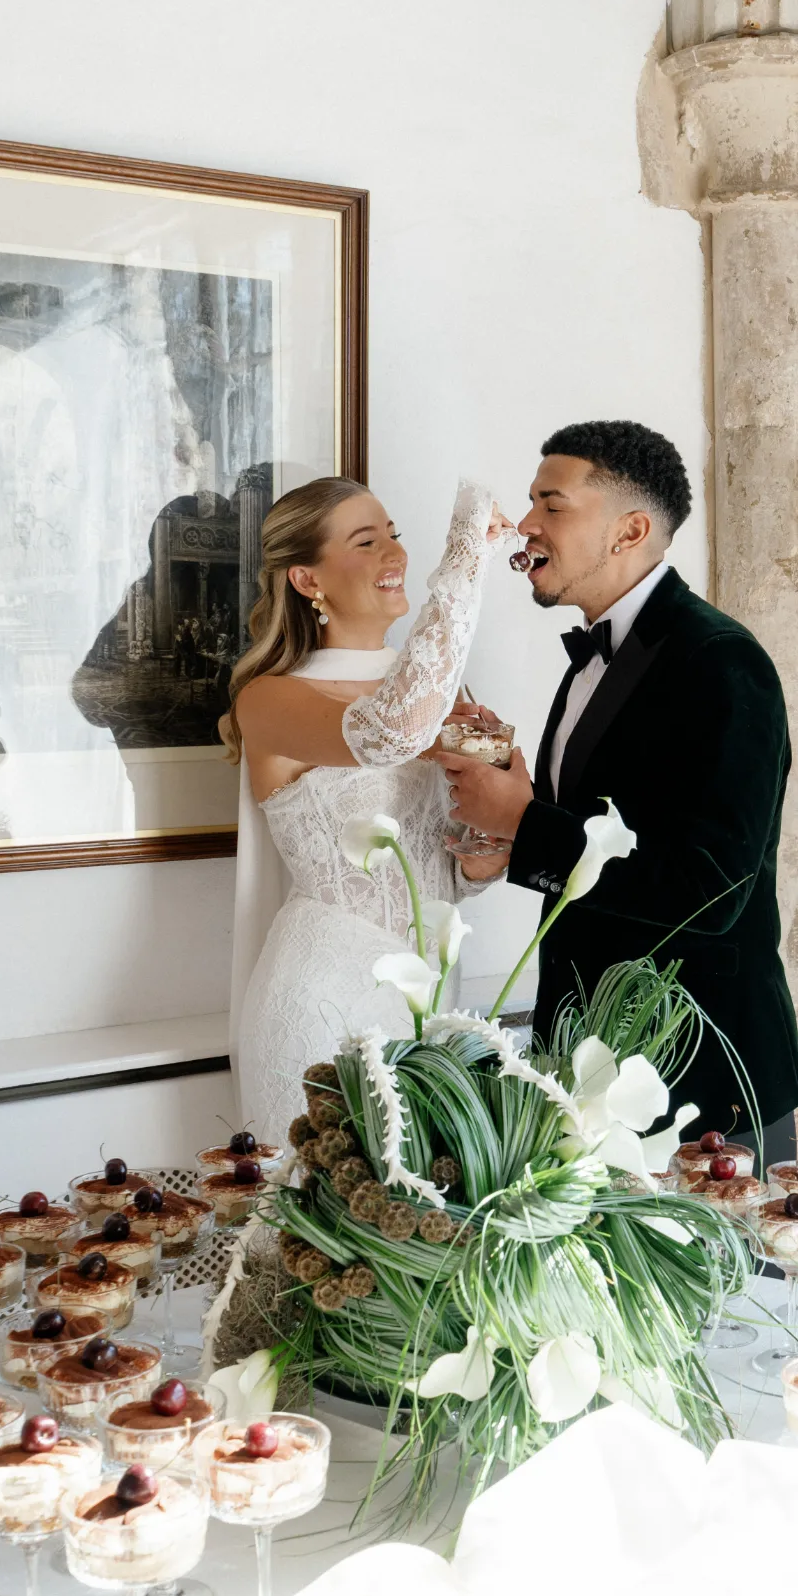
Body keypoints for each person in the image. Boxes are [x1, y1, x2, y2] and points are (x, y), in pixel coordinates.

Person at [438, 420, 798, 1164]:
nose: (527, 523)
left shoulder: (723, 663)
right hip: (588, 1071)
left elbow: (711, 889)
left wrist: (528, 821)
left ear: (629, 529)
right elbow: (619, 834)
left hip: (702, 1083)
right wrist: (514, 830)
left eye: (552, 504)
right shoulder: (592, 659)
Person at [224, 475, 511, 1139]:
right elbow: (392, 733)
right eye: (366, 540)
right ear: (306, 579)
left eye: (394, 535)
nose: (394, 554)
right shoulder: (267, 699)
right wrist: (466, 554)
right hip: (320, 1002)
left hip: (434, 1001)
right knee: (315, 1228)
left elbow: (460, 873)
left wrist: (494, 811)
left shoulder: (441, 688)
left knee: (429, 1228)